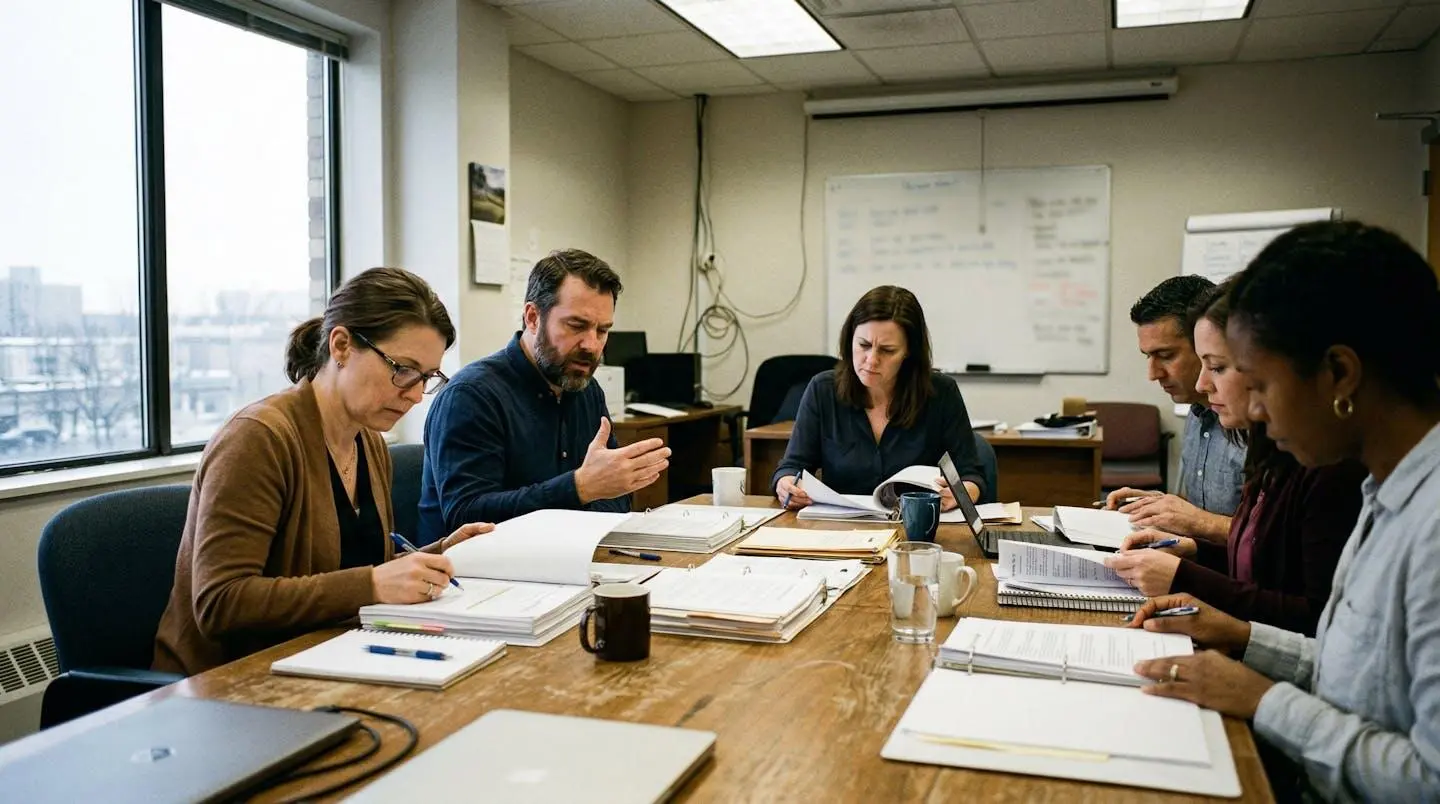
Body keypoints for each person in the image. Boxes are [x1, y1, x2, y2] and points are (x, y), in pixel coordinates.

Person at [1127, 221, 1440, 801]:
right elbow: (1353, 673)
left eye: (1261, 381)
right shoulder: (1386, 490)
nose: (1253, 408)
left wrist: (1263, 699)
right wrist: (1244, 639)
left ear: (1339, 375)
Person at [154, 268, 491, 676]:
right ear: (342, 345)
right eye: (403, 369)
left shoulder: (367, 441)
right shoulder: (257, 439)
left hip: (326, 658)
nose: (417, 394)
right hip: (229, 684)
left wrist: (438, 554)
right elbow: (221, 603)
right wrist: (371, 585)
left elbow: (352, 566)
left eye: (427, 378)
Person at [1104, 281, 1363, 635]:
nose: (1202, 384)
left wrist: (1187, 570)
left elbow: (1314, 618)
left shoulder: (1327, 464)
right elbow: (1257, 558)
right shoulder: (1265, 445)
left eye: (1218, 367)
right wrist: (1191, 551)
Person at [418, 249, 669, 541]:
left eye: (602, 331)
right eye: (576, 325)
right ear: (533, 317)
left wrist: (599, 488)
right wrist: (579, 488)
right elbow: (466, 516)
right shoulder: (471, 396)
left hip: (567, 564)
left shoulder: (587, 390)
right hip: (475, 576)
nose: (591, 344)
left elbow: (614, 498)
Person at [772, 285, 985, 511]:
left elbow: (970, 474)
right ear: (849, 340)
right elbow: (792, 466)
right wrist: (785, 484)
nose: (871, 360)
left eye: (887, 350)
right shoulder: (823, 389)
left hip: (916, 532)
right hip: (841, 532)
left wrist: (963, 491)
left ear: (908, 352)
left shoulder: (941, 393)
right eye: (863, 345)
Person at [1106, 275, 1246, 543]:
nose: (1153, 374)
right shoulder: (1196, 411)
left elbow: (1270, 539)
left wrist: (1196, 521)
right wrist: (1160, 505)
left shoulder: (1254, 421)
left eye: (1166, 356)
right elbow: (1204, 508)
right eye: (1148, 356)